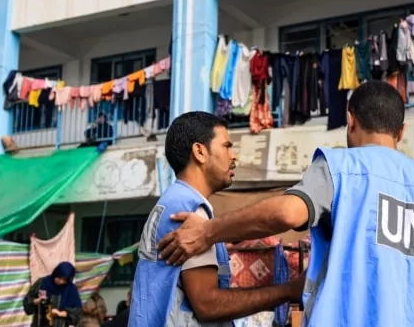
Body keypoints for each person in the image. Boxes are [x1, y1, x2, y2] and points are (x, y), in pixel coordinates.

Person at [156, 81, 414, 327]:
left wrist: (208, 231)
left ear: (351, 121)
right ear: (401, 131)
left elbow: (288, 212)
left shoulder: (342, 169)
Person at [130, 111, 304, 326]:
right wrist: (288, 291)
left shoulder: (173, 201)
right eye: (226, 146)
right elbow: (208, 305)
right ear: (200, 152)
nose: (233, 156)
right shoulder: (188, 209)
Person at [23, 262, 83, 327]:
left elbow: (78, 311)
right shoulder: (42, 283)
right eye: (59, 278)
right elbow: (27, 300)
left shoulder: (71, 290)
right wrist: (37, 301)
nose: (61, 282)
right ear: (56, 273)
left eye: (65, 280)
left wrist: (61, 313)